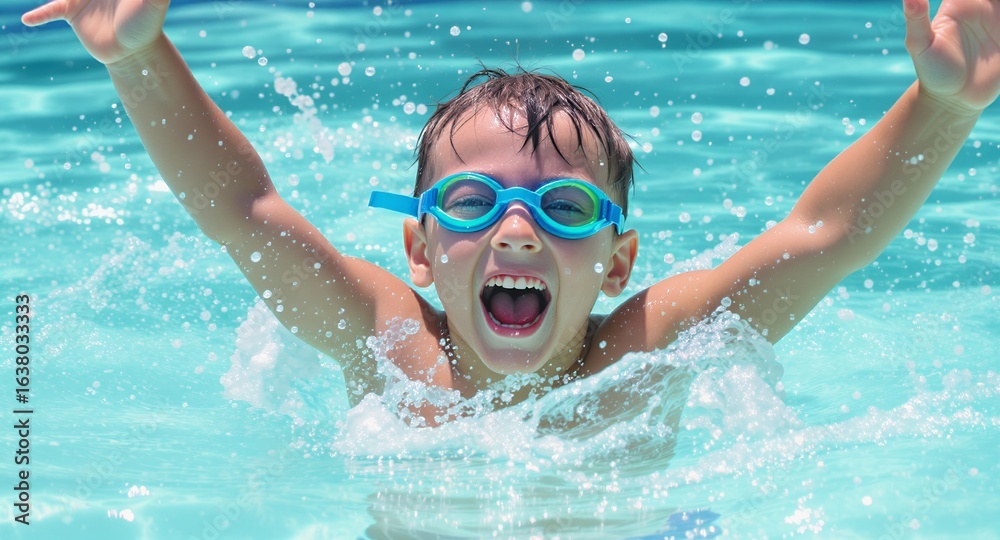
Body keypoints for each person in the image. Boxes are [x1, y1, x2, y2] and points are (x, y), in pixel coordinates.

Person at [22, 0, 999, 428]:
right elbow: (246, 211)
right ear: (417, 246)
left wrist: (945, 105)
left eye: (563, 207)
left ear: (617, 262)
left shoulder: (649, 346)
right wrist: (136, 58)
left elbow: (819, 240)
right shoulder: (390, 342)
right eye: (472, 201)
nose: (517, 232)